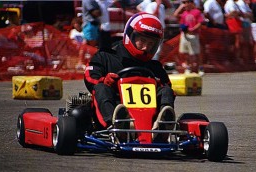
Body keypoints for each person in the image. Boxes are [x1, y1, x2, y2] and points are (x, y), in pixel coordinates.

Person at [84, 12, 175, 141]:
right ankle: (118, 127)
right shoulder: (106, 56)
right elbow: (89, 76)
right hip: (114, 106)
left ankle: (162, 128)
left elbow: (167, 87)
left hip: (149, 117)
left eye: (151, 44)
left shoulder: (155, 67)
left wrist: (160, 85)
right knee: (101, 88)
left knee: (166, 91)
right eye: (142, 40)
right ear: (129, 36)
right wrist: (105, 80)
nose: (145, 47)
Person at [174, 0, 204, 74]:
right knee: (186, 52)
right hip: (185, 35)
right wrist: (180, 7)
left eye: (187, 2)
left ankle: (200, 68)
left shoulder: (197, 12)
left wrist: (193, 29)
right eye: (184, 3)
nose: (185, 4)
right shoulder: (184, 13)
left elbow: (200, 22)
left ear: (191, 3)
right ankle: (188, 67)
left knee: (196, 53)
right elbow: (175, 15)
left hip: (193, 35)